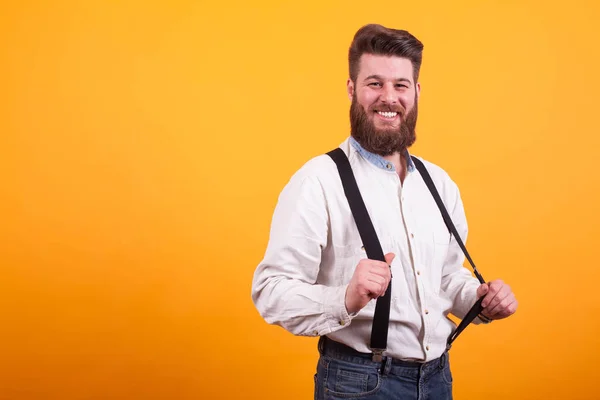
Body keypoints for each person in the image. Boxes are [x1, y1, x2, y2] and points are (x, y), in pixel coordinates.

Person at [251, 23, 517, 400]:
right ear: (351, 89)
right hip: (359, 383)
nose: (388, 97)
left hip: (438, 379)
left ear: (416, 92)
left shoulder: (438, 182)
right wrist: (346, 298)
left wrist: (479, 298)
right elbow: (270, 291)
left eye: (400, 85)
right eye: (374, 83)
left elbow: (442, 278)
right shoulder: (318, 181)